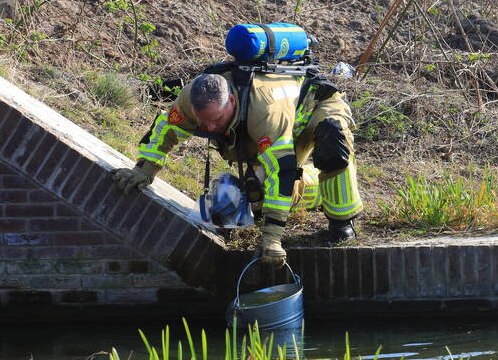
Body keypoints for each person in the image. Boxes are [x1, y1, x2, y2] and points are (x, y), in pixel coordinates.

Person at [111, 68, 362, 266]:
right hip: (271, 126)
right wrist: (144, 170)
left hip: (314, 107)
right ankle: (308, 189)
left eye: (216, 120)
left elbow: (281, 171)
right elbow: (165, 131)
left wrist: (272, 237)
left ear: (231, 100)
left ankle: (341, 221)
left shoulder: (264, 111)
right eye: (203, 123)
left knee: (333, 141)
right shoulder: (190, 98)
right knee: (257, 194)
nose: (210, 128)